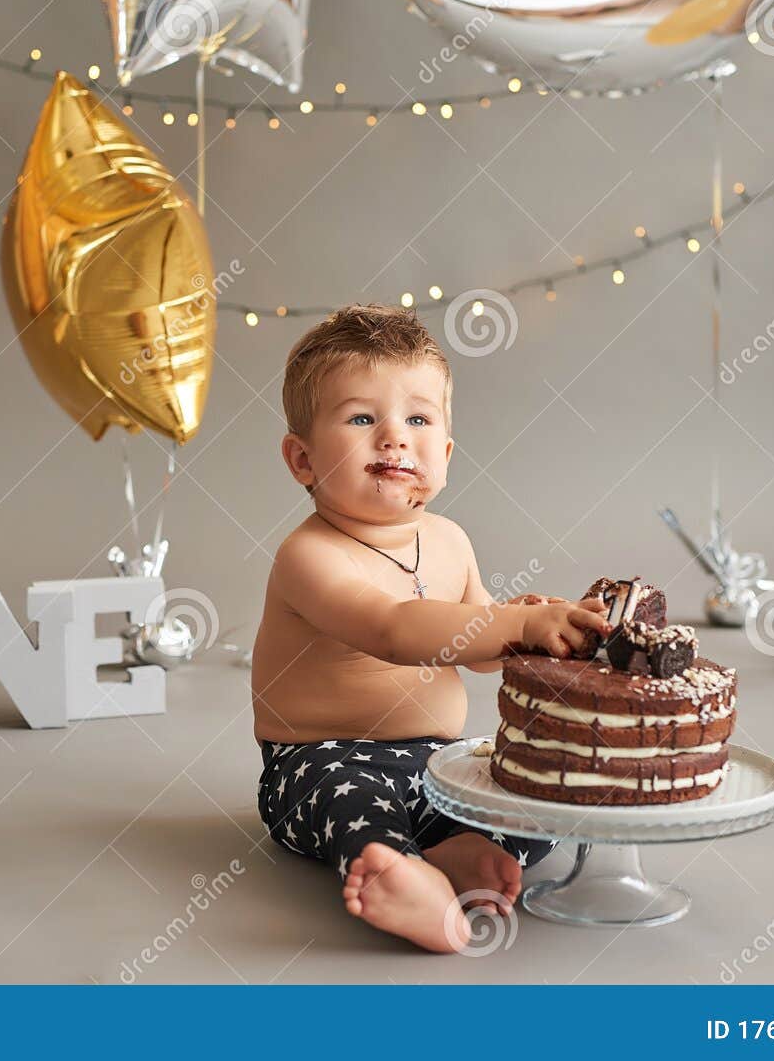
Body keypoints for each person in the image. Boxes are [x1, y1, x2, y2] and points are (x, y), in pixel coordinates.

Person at [251, 304, 612, 952]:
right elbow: (395, 628)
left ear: (443, 453)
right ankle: (398, 872)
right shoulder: (309, 555)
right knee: (346, 799)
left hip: (437, 758)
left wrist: (529, 629)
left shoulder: (450, 539)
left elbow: (473, 653)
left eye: (418, 419)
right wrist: (515, 620)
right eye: (362, 418)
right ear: (302, 458)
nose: (395, 437)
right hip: (323, 755)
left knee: (537, 788)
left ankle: (466, 850)